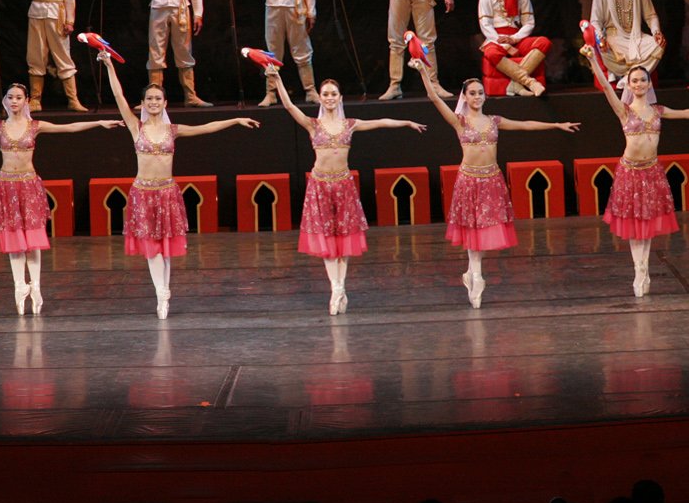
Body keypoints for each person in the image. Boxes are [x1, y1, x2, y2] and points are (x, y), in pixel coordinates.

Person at [0, 74, 124, 314]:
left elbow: (69, 127)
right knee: (15, 241)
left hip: (29, 184)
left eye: (18, 98)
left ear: (26, 101)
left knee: (32, 240)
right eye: (10, 97)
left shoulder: (35, 126)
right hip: (7, 186)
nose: (14, 101)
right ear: (5, 101)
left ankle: (37, 286)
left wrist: (99, 122)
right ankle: (19, 286)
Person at [96, 50, 258, 318]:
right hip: (143, 192)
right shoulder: (136, 127)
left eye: (158, 98)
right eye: (149, 99)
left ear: (165, 102)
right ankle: (161, 293)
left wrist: (235, 119)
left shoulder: (173, 130)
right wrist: (110, 66)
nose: (153, 102)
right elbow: (118, 96)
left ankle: (165, 290)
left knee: (166, 247)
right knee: (151, 247)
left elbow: (207, 127)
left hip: (167, 192)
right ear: (143, 103)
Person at [410, 57, 578, 307]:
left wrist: (556, 124)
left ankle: (471, 272)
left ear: (484, 96)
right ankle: (475, 274)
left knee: (485, 228)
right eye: (472, 93)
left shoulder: (494, 121)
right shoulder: (459, 122)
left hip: (490, 179)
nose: (477, 97)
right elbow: (435, 97)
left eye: (480, 93)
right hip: (469, 180)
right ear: (464, 97)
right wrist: (424, 70)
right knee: (472, 229)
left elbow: (524, 125)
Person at [261, 65, 425, 312]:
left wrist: (406, 122)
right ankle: (336, 289)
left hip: (343, 186)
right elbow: (288, 106)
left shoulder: (350, 124)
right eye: (325, 94)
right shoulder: (312, 124)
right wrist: (278, 79)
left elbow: (380, 122)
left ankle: (340, 287)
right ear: (320, 97)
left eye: (333, 94)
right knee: (327, 240)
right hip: (320, 186)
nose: (329, 98)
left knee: (344, 239)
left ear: (339, 98)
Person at [583, 54, 689, 296]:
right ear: (628, 86)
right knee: (633, 225)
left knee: (647, 223)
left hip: (651, 171)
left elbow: (685, 113)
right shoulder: (624, 111)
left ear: (649, 84)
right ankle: (638, 269)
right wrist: (593, 61)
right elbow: (606, 88)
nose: (639, 84)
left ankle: (645, 266)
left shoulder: (658, 111)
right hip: (630, 171)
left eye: (643, 80)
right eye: (634, 81)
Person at [476, 0, 552, 96]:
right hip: (496, 38)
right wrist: (505, 44)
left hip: (516, 37)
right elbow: (485, 24)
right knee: (490, 52)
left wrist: (514, 39)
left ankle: (515, 85)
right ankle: (530, 82)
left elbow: (529, 23)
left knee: (544, 42)